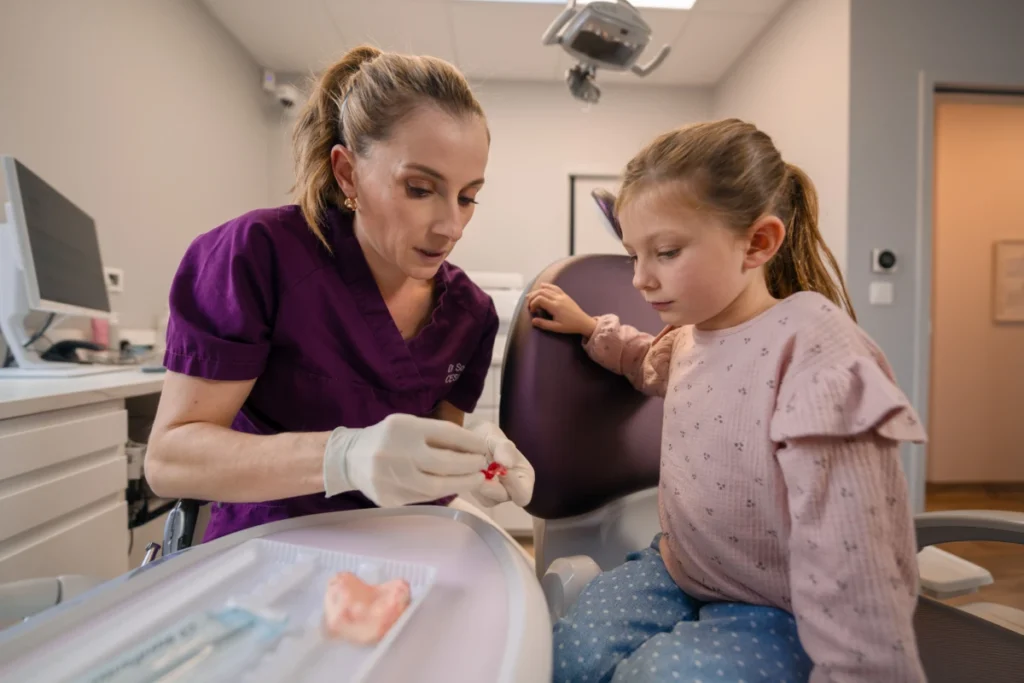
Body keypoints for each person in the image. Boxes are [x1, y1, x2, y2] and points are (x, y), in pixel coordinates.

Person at [530, 119, 926, 682]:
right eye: (633, 256)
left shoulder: (815, 355)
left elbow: (855, 564)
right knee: (571, 652)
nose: (641, 280)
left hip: (774, 602)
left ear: (758, 242)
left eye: (665, 252)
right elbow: (650, 364)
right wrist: (591, 328)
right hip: (681, 566)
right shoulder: (695, 330)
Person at [144, 45, 533, 543]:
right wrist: (341, 457)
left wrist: (476, 463)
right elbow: (169, 459)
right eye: (419, 188)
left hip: (404, 535)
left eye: (468, 196)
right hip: (272, 540)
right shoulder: (257, 255)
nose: (451, 226)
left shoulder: (469, 313)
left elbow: (436, 446)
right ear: (348, 172)